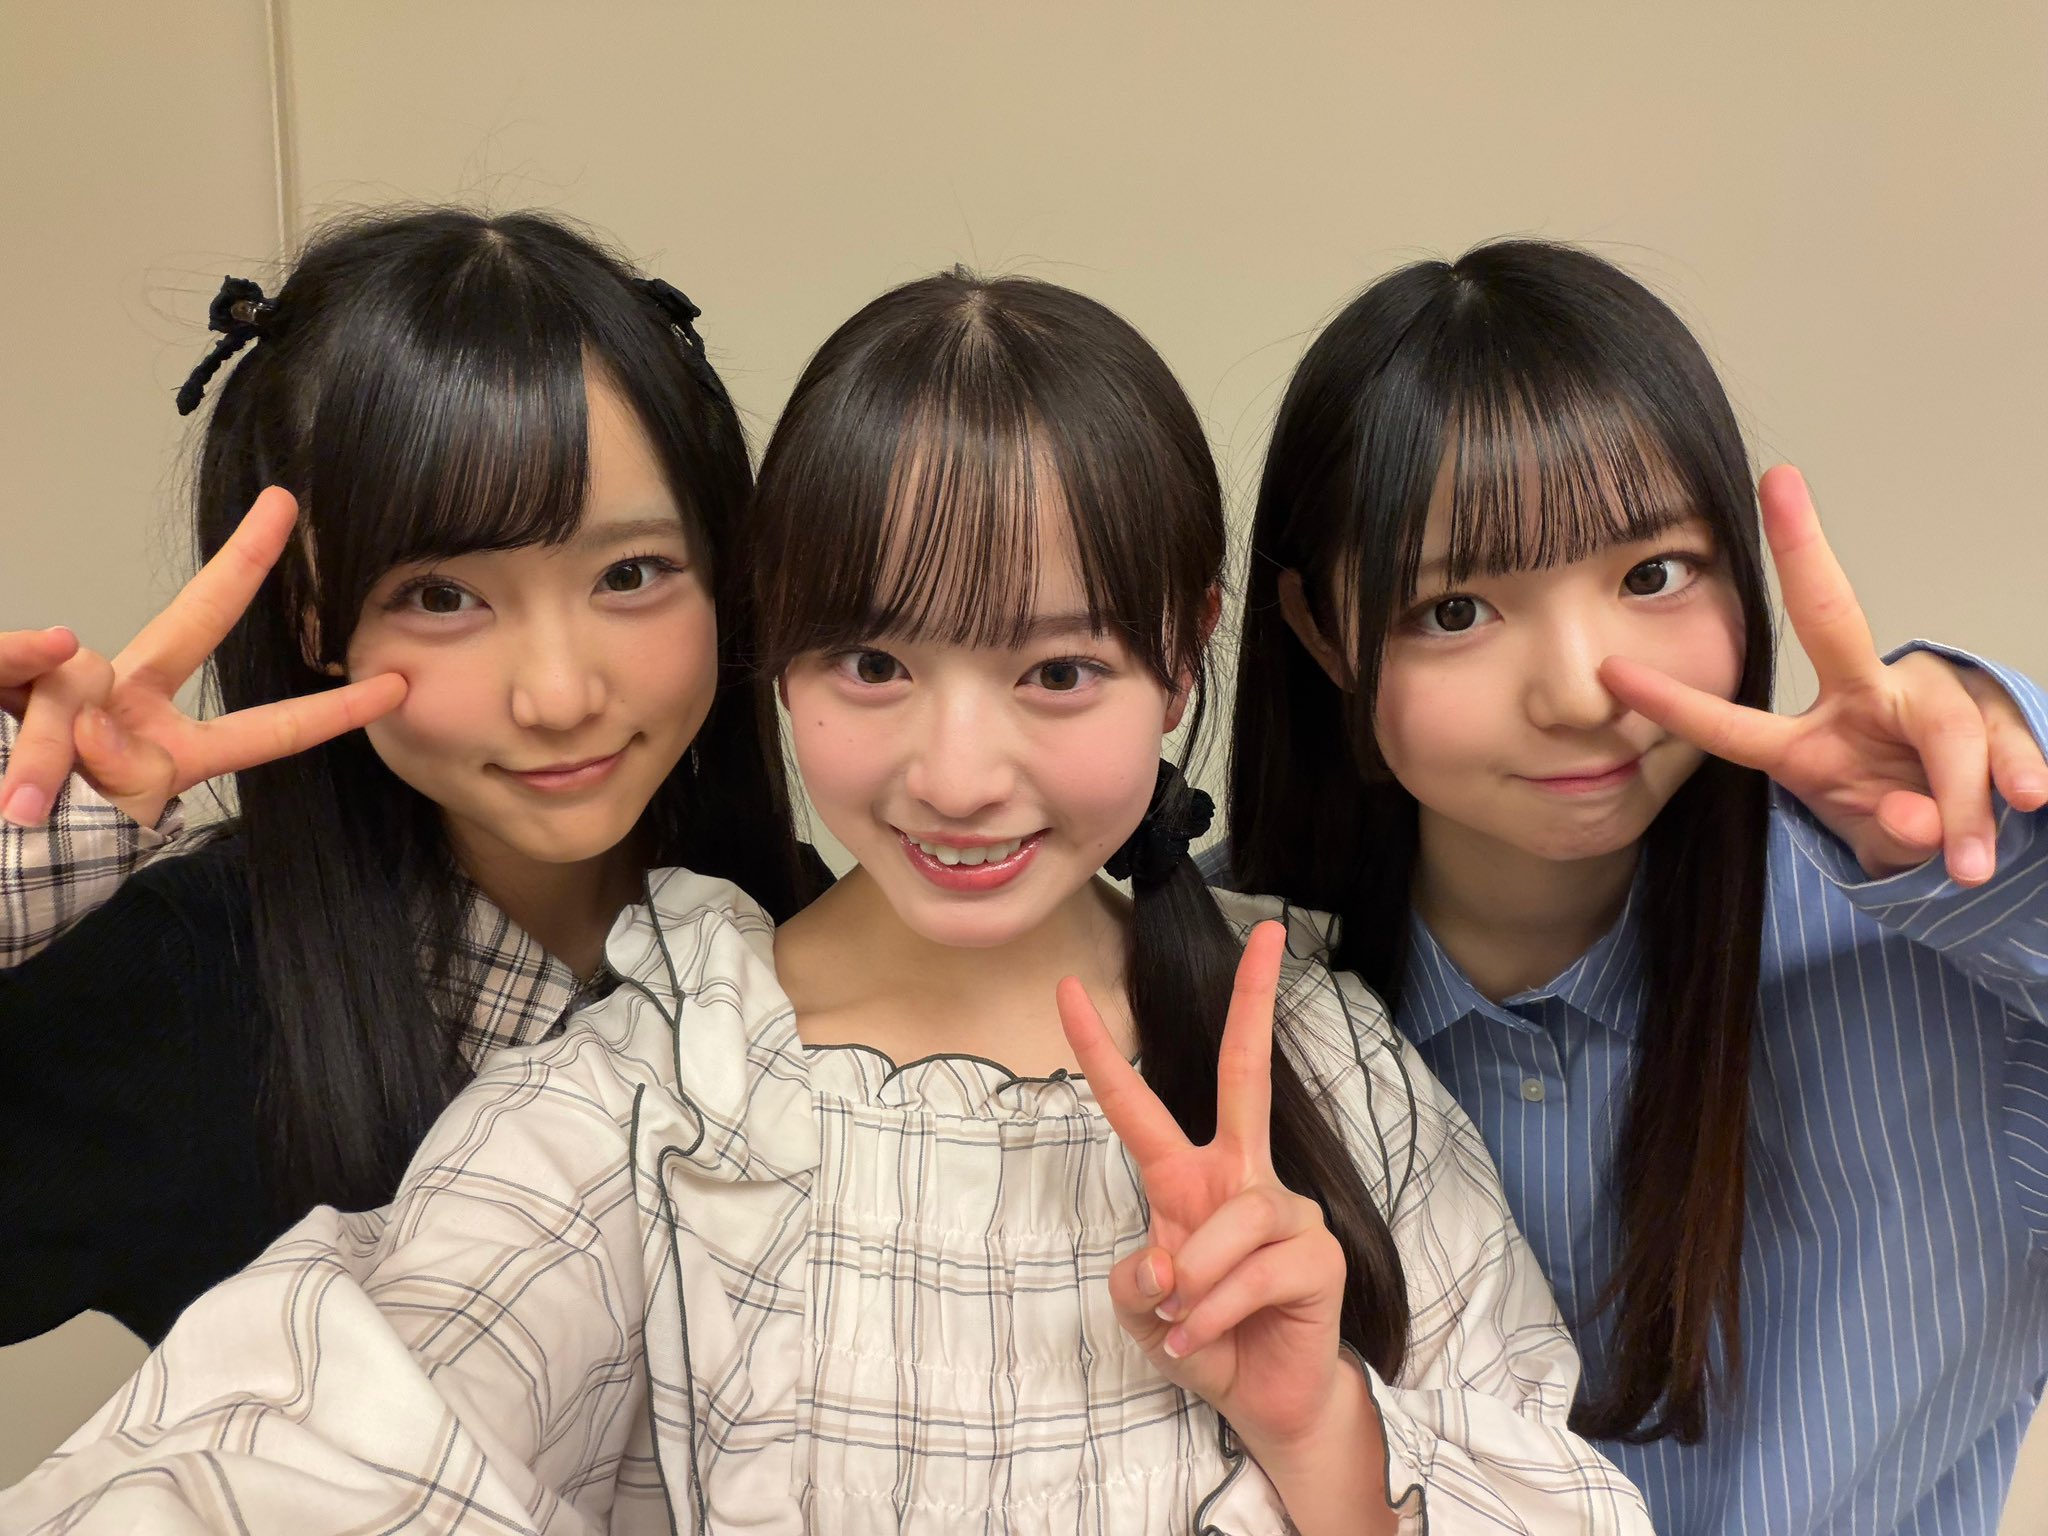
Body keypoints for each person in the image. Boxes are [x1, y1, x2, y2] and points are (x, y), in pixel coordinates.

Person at [1, 270, 1653, 1534]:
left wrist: (1324, 1431)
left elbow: (1549, 1486)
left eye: (1058, 670)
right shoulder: (664, 1080)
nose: (957, 774)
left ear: (1182, 652)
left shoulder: (1314, 1056)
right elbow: (312, 1440)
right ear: (776, 642)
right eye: (872, 662)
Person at [1223, 237, 2048, 1535]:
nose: (1576, 693)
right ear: (1323, 632)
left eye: (1651, 574)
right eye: (1455, 609)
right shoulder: (1198, 994)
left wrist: (2004, 824)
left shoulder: (1963, 972)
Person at [0, 206, 818, 1346]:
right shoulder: (178, 986)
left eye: (631, 573)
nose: (558, 695)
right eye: (443, 597)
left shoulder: (809, 932)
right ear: (313, 615)